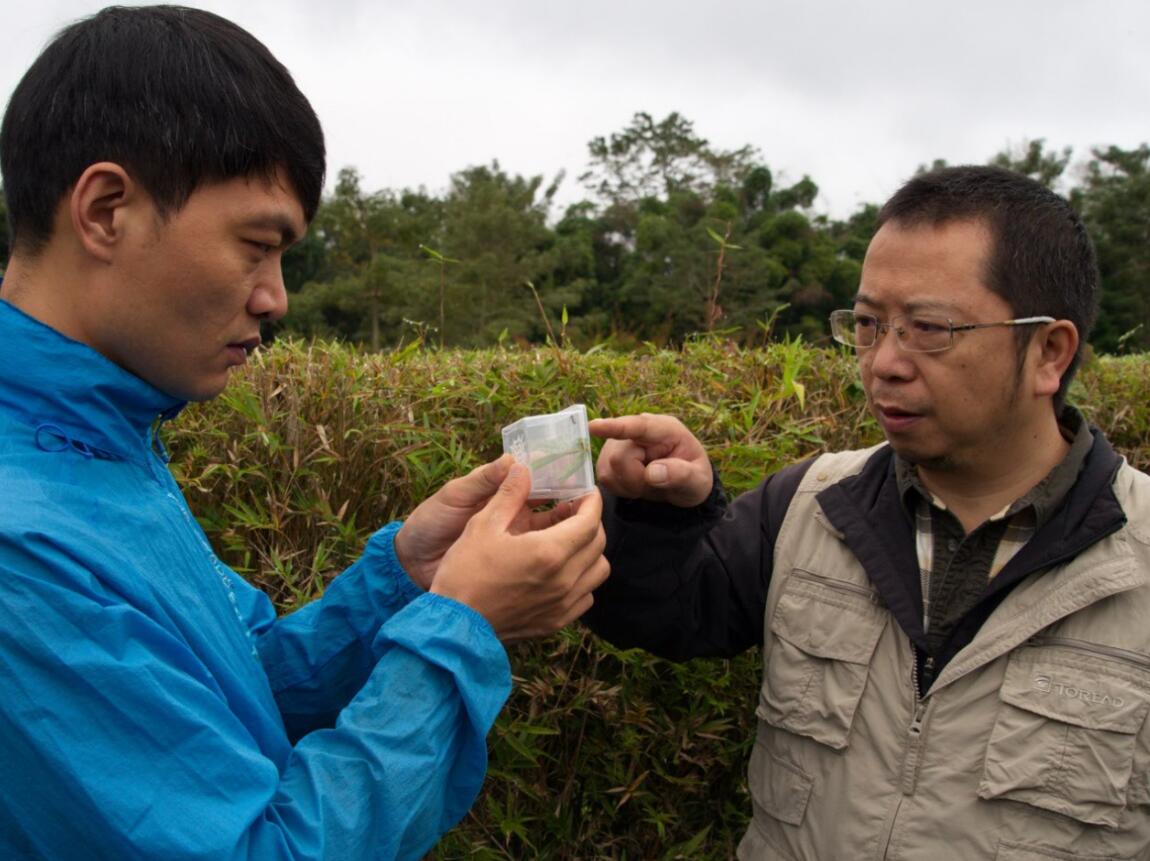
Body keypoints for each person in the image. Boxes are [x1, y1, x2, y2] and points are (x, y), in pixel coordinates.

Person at [0, 7, 608, 859]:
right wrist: (457, 629)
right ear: (106, 210)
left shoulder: (102, 447)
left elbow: (232, 692)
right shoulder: (21, 548)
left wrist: (408, 581)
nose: (275, 297)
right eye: (257, 245)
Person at [585, 165, 1150, 859]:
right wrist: (660, 514)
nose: (884, 362)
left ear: (1048, 352)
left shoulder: (1138, 557)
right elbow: (666, 613)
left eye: (929, 328)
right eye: (868, 324)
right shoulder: (814, 503)